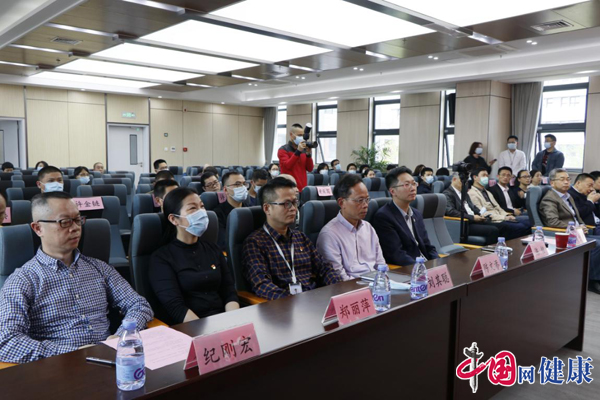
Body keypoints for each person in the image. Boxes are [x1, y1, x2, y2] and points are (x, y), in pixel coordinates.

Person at [0, 192, 153, 363]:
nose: (75, 228)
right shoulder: (23, 280)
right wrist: (70, 353)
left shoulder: (99, 267)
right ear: (38, 228)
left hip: (111, 357)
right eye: (65, 222)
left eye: (78, 220)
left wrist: (121, 337)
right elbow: (6, 340)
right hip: (60, 366)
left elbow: (139, 305)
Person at [149, 188, 239, 325]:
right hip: (190, 326)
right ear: (174, 219)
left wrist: (233, 322)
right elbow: (175, 307)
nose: (201, 212)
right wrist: (209, 331)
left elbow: (229, 291)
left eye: (202, 206)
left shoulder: (213, 249)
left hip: (224, 321)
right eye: (192, 208)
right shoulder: (161, 258)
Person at [242, 178, 342, 299]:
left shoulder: (300, 237)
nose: (293, 208)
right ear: (267, 208)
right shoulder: (255, 243)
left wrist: (339, 289)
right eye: (286, 204)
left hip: (313, 300)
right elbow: (262, 285)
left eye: (294, 203)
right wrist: (294, 302)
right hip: (283, 305)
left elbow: (324, 269)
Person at [539, 168, 600, 294]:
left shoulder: (567, 196)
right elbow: (552, 222)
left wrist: (582, 225)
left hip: (578, 232)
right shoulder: (550, 199)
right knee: (597, 244)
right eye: (562, 179)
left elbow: (576, 217)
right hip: (565, 235)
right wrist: (575, 228)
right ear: (552, 183)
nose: (566, 182)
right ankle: (591, 280)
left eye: (568, 179)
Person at [316, 174, 385, 280]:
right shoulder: (329, 234)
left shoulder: (368, 228)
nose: (365, 205)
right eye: (360, 200)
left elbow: (381, 265)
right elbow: (339, 278)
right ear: (341, 202)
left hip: (377, 284)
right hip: (352, 287)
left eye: (367, 199)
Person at [372, 167, 439, 266]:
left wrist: (439, 263)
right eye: (407, 184)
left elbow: (428, 246)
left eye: (414, 183)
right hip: (408, 269)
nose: (413, 188)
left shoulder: (416, 214)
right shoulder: (384, 217)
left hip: (425, 265)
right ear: (392, 191)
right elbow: (397, 255)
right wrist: (422, 269)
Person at [467, 168, 531, 240]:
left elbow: (498, 207)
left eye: (487, 175)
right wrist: (503, 217)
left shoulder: (487, 192)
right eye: (483, 175)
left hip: (499, 217)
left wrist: (506, 215)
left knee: (527, 224)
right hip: (491, 219)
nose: (486, 177)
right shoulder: (472, 193)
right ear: (475, 177)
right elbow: (481, 212)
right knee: (519, 227)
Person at [442, 173, 500, 245]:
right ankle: (488, 250)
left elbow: (473, 207)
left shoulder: (464, 193)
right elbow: (451, 212)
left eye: (466, 182)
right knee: (493, 230)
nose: (465, 184)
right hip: (464, 224)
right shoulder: (447, 194)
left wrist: (480, 214)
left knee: (500, 225)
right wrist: (472, 217)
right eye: (463, 181)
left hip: (474, 220)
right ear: (454, 179)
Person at [214, 171, 248, 250]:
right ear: (225, 190)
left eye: (244, 184)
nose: (243, 187)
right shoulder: (217, 214)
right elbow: (224, 242)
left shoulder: (250, 210)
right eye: (237, 184)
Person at [277, 123, 314, 192]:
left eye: (302, 135)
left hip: (303, 188)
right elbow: (288, 166)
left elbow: (310, 168)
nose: (301, 138)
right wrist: (298, 151)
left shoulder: (303, 150)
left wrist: (308, 154)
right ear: (291, 135)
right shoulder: (283, 150)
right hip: (289, 188)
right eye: (299, 135)